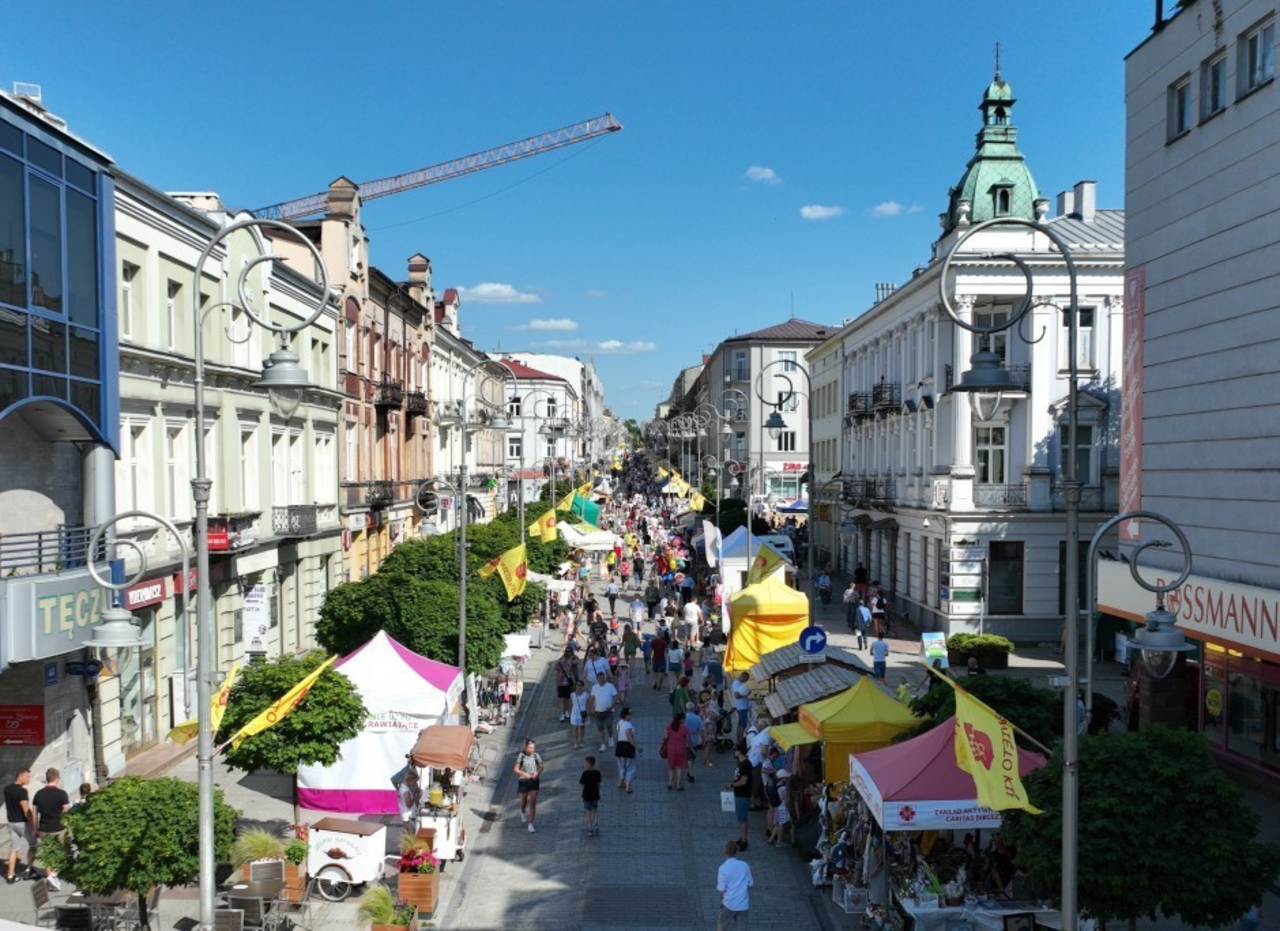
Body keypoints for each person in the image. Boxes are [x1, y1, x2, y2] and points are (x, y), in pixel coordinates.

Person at [30, 769, 69, 890]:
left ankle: (50, 877)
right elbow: (66, 811)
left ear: (47, 779)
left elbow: (35, 813)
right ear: (57, 778)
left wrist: (35, 828)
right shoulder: (62, 794)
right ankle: (53, 876)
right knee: (60, 852)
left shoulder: (38, 794)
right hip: (58, 828)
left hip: (44, 827)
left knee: (47, 853)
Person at [4, 767, 35, 884]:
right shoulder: (22, 791)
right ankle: (29, 869)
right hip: (22, 823)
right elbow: (26, 810)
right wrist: (34, 824)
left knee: (14, 849)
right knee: (33, 845)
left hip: (11, 822)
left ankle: (10, 875)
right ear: (20, 776)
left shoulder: (7, 789)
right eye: (27, 776)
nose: (29, 779)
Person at [716, 837, 754, 930]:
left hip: (729, 904)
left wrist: (723, 897)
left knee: (722, 927)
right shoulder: (744, 865)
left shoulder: (723, 868)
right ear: (736, 851)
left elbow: (721, 890)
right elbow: (750, 884)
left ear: (725, 851)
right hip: (743, 904)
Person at [726, 743, 753, 852]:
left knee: (742, 819)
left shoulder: (746, 764)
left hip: (743, 795)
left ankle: (744, 841)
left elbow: (743, 781)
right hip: (739, 794)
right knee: (742, 818)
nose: (734, 752)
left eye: (735, 750)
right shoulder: (740, 762)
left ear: (740, 751)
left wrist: (732, 785)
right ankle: (742, 838)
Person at [513, 739, 543, 833]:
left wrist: (537, 773)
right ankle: (522, 811)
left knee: (533, 802)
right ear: (526, 747)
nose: (532, 749)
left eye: (533, 748)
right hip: (524, 781)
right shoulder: (521, 756)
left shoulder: (536, 755)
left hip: (534, 781)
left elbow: (541, 767)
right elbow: (516, 769)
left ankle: (531, 824)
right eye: (530, 748)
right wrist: (524, 774)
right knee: (524, 801)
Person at [765, 768, 795, 848]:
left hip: (777, 806)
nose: (787, 778)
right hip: (783, 807)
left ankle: (771, 839)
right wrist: (789, 807)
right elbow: (787, 800)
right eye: (786, 777)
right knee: (781, 824)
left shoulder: (777, 785)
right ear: (783, 778)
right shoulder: (784, 788)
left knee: (778, 823)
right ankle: (779, 842)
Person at [591, 671, 619, 752]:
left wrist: (612, 705)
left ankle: (610, 737)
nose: (601, 679)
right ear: (597, 679)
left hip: (609, 711)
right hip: (598, 711)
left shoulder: (610, 686)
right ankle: (603, 744)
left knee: (609, 725)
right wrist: (591, 708)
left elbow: (615, 696)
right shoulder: (594, 687)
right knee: (600, 728)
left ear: (605, 678)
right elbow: (592, 698)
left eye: (603, 678)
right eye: (600, 678)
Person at [664, 712, 691, 791]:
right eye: (684, 719)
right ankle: (678, 785)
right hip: (681, 749)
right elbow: (688, 740)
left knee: (671, 766)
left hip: (671, 748)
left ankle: (670, 784)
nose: (685, 720)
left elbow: (665, 737)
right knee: (679, 767)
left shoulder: (668, 727)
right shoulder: (685, 729)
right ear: (681, 720)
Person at [614, 706, 639, 793]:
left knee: (621, 765)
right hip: (628, 747)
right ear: (626, 715)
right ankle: (628, 786)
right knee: (630, 767)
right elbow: (629, 737)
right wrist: (637, 747)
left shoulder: (619, 723)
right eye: (630, 714)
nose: (631, 716)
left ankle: (621, 782)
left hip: (619, 746)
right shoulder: (628, 724)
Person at [580, 755, 603, 837]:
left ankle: (590, 828)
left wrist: (581, 793)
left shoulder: (584, 774)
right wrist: (597, 791)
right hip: (595, 794)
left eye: (585, 763)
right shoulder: (597, 773)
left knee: (588, 812)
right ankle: (595, 823)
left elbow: (582, 785)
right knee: (594, 809)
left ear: (588, 764)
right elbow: (599, 784)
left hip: (587, 795)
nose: (584, 764)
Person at [554, 649, 577, 722]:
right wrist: (574, 682)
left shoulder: (559, 662)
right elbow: (571, 673)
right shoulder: (570, 662)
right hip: (567, 683)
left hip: (560, 683)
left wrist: (556, 684)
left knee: (562, 701)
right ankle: (567, 713)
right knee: (567, 699)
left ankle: (562, 715)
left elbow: (556, 674)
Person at [684, 701, 704, 783]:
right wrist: (703, 739)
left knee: (688, 757)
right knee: (692, 757)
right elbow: (701, 730)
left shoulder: (684, 718)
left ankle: (690, 772)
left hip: (685, 740)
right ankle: (690, 772)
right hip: (694, 740)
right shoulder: (698, 718)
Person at [731, 672, 752, 742]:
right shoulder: (736, 684)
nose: (746, 680)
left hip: (742, 707)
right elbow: (737, 695)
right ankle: (739, 741)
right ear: (743, 676)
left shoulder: (739, 683)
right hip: (742, 707)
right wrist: (747, 693)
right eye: (746, 679)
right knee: (741, 725)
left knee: (742, 725)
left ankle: (739, 740)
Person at [569, 679, 590, 749]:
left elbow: (588, 703)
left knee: (582, 727)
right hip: (574, 712)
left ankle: (581, 741)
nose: (578, 686)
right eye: (577, 685)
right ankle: (575, 742)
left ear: (582, 686)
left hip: (583, 712)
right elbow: (570, 704)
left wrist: (588, 711)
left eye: (580, 685)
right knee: (574, 728)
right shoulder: (572, 694)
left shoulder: (586, 694)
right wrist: (570, 712)